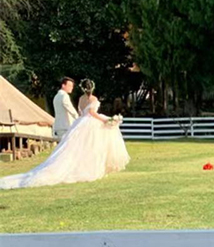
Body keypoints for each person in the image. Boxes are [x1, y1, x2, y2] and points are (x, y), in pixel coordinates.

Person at [0, 78, 130, 190]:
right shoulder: (69, 97)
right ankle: (86, 168)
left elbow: (80, 111)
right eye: (70, 85)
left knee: (74, 149)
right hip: (82, 123)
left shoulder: (73, 98)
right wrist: (104, 120)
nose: (71, 88)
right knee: (87, 148)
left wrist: (79, 121)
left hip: (75, 123)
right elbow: (87, 112)